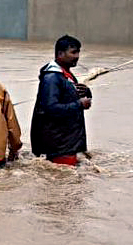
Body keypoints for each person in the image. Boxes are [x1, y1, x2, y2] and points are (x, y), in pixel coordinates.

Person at [30, 35, 92, 167]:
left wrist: (86, 92)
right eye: (73, 52)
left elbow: (68, 98)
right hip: (59, 145)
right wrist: (79, 104)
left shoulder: (65, 74)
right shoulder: (52, 78)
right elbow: (51, 108)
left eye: (78, 52)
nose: (77, 56)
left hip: (66, 142)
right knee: (64, 182)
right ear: (60, 54)